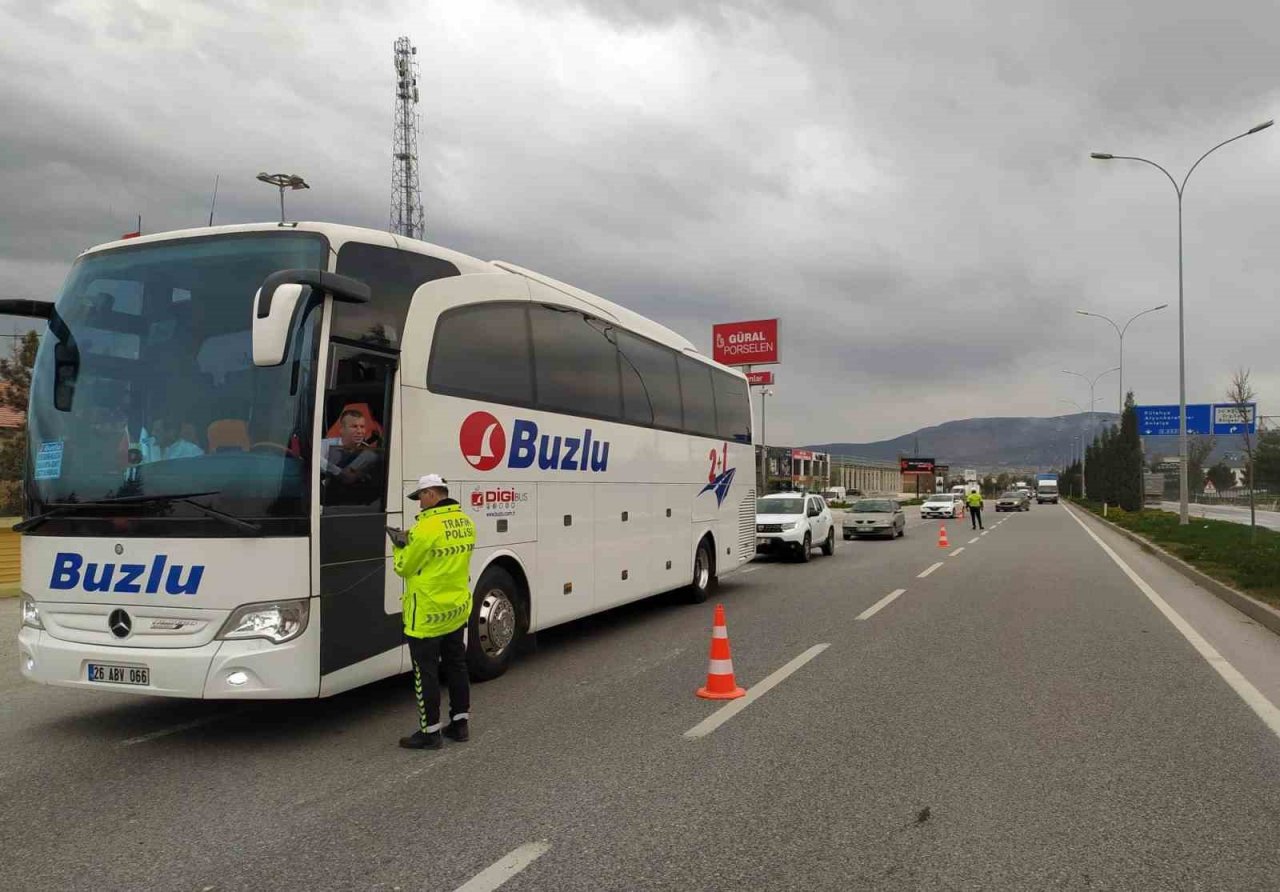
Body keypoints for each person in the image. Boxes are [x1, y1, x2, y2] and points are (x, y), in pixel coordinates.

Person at [393, 474, 477, 750]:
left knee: (425, 672)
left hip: (427, 613)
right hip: (456, 609)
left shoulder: (424, 528)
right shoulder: (466, 522)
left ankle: (430, 733)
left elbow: (404, 567)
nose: (419, 505)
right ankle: (460, 724)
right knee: (457, 664)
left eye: (420, 498)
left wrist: (399, 546)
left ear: (430, 494)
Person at [140, 417, 205, 463]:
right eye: (153, 430)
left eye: (157, 431)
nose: (152, 433)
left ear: (171, 432)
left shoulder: (193, 452)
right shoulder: (147, 447)